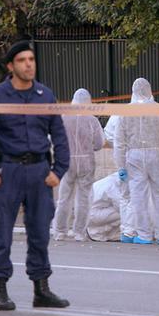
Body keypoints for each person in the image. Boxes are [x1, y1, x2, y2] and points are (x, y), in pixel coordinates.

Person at [0, 40, 70, 311]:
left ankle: (41, 289)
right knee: (2, 234)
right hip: (8, 172)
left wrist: (59, 170)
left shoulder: (45, 96)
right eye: (22, 60)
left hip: (39, 172)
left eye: (31, 59)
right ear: (10, 66)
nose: (28, 64)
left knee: (40, 232)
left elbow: (59, 135)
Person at [114, 78, 159, 245]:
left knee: (138, 197)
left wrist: (120, 165)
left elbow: (119, 142)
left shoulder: (125, 112)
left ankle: (143, 235)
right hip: (156, 155)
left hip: (134, 156)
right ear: (150, 90)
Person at [53, 88, 105, 241]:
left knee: (64, 198)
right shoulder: (92, 120)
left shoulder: (63, 118)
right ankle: (79, 232)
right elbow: (99, 144)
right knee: (83, 198)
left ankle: (60, 231)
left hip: (67, 162)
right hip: (86, 162)